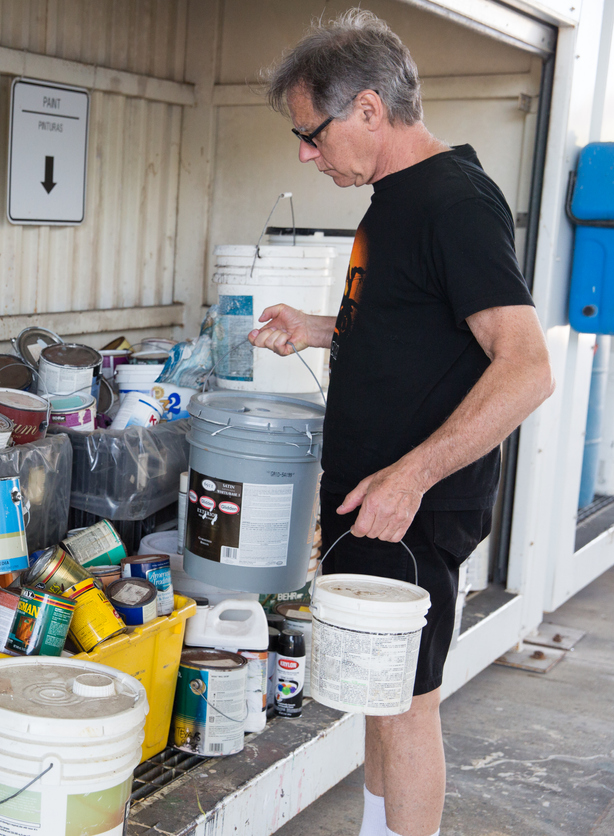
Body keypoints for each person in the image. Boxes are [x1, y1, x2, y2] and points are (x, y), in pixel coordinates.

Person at [250, 11, 554, 836]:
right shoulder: (397, 200)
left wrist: (411, 476)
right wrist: (321, 328)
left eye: (312, 135)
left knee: (409, 705)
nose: (306, 155)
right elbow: (421, 325)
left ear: (371, 111)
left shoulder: (453, 203)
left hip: (412, 507)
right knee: (377, 698)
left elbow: (526, 367)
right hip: (372, 499)